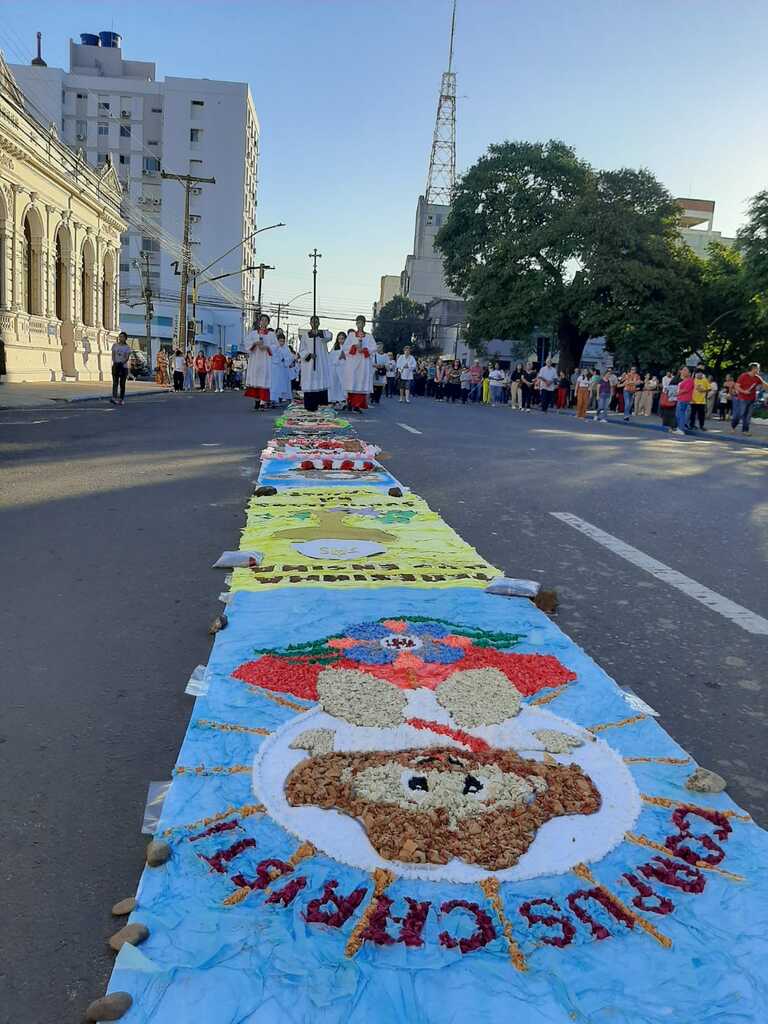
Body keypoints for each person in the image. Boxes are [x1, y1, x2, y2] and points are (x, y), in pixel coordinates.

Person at [343, 315, 376, 413]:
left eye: (362, 322)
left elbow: (374, 348)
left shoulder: (369, 336)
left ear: (365, 324)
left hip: (363, 364)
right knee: (351, 382)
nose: (360, 324)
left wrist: (365, 350)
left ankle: (357, 405)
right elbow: (345, 349)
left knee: (360, 383)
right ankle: (349, 403)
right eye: (358, 322)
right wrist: (354, 347)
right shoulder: (351, 335)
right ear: (356, 323)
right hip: (352, 363)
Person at [298, 316, 332, 411]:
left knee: (320, 384)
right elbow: (301, 350)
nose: (315, 323)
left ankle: (321, 405)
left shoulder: (323, 334)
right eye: (313, 321)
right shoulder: (305, 336)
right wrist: (309, 355)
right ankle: (309, 406)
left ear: (319, 323)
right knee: (310, 384)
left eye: (316, 321)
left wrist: (319, 333)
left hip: (320, 363)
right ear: (310, 323)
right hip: (309, 364)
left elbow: (330, 336)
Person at [244, 314, 275, 410]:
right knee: (256, 382)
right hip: (255, 361)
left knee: (264, 382)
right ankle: (257, 402)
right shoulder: (253, 334)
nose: (264, 322)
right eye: (262, 320)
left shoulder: (271, 335)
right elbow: (247, 344)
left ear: (268, 323)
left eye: (266, 320)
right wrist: (254, 343)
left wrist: (267, 347)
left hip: (265, 361)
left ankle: (263, 402)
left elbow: (275, 347)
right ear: (259, 322)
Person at [731, 362, 767, 435]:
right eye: (758, 368)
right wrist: (744, 391)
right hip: (742, 399)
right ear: (754, 369)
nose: (759, 369)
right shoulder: (743, 376)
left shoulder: (757, 377)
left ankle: (745, 431)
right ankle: (733, 427)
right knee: (740, 414)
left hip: (752, 399)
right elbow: (736, 386)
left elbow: (764, 385)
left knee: (748, 416)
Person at [269, 332, 292, 405]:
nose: (281, 343)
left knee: (283, 385)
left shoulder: (287, 348)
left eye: (283, 341)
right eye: (280, 341)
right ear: (277, 340)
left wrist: (285, 360)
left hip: (283, 370)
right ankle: (273, 400)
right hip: (275, 369)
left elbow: (290, 358)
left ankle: (281, 398)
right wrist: (278, 359)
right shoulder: (274, 347)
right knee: (275, 385)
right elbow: (271, 357)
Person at [110, 331, 132, 405]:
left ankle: (121, 399)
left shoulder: (127, 347)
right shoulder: (115, 345)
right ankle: (114, 397)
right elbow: (113, 355)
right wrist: (115, 362)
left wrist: (122, 363)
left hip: (123, 367)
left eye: (122, 337)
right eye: (120, 336)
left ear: (125, 338)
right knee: (115, 382)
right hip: (115, 365)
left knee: (122, 383)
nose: (120, 338)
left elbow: (127, 357)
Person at [327, 332, 347, 406]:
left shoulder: (347, 347)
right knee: (334, 384)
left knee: (342, 384)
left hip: (343, 368)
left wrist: (343, 356)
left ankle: (342, 399)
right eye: (339, 339)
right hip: (334, 368)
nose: (341, 340)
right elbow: (330, 358)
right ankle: (334, 400)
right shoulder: (335, 347)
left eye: (342, 338)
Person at [674, 367, 694, 434]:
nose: (683, 371)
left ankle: (681, 429)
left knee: (681, 414)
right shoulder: (685, 380)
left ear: (689, 373)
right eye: (683, 370)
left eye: (685, 370)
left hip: (684, 399)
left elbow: (686, 389)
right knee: (678, 414)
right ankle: (679, 427)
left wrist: (678, 392)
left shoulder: (690, 380)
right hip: (681, 398)